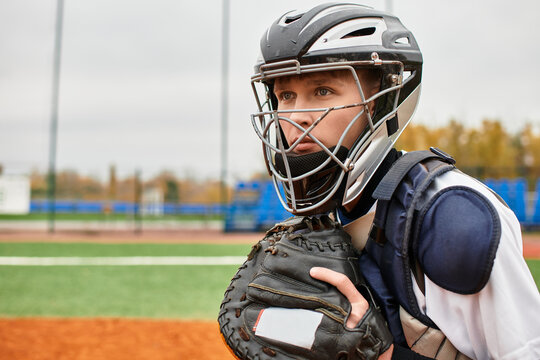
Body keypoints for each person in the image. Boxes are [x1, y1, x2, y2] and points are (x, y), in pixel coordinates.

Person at [249, 3, 540, 359]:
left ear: (381, 101)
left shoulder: (451, 219)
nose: (297, 116)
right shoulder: (323, 217)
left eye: (323, 90)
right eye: (285, 96)